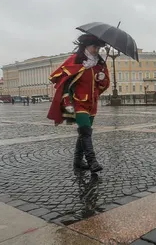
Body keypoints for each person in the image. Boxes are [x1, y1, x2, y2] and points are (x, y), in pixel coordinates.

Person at [47, 34, 110, 172]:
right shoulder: (75, 60)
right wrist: (66, 103)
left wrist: (102, 78)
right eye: (95, 46)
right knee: (86, 131)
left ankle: (77, 162)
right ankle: (92, 161)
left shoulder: (99, 64)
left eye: (98, 47)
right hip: (78, 102)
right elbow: (65, 82)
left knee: (83, 133)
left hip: (92, 104)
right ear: (86, 45)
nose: (96, 50)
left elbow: (104, 84)